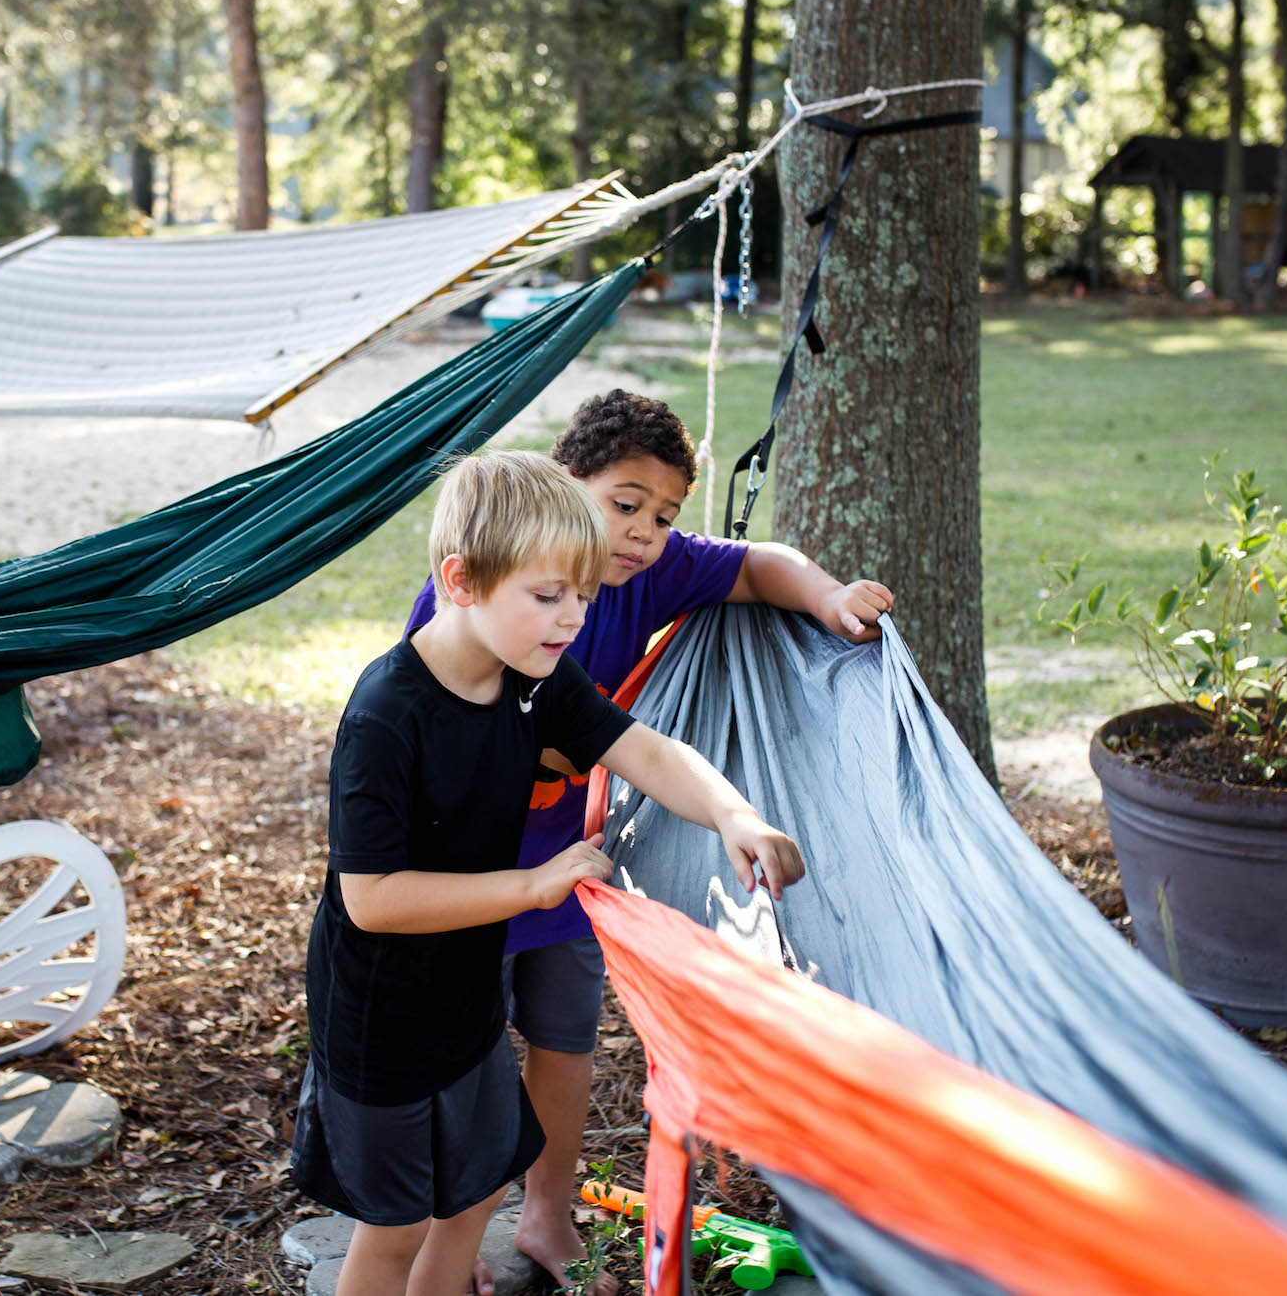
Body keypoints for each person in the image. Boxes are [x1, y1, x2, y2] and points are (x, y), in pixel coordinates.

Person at [403, 391, 893, 1295]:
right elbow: (463, 727)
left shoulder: (647, 574)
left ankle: (548, 1209)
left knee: (563, 1040)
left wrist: (827, 598)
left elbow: (756, 564)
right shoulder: (481, 593)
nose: (642, 533)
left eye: (664, 516)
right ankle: (446, 1241)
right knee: (460, 1072)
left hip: (575, 869)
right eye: (624, 503)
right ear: (563, 487)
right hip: (468, 881)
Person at [293, 449, 805, 1296]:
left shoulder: (533, 679)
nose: (571, 619)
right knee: (398, 1226)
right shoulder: (386, 715)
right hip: (380, 1021)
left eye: (584, 595)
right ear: (461, 580)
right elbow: (372, 898)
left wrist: (733, 813)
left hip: (465, 1006)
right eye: (547, 596)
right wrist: (530, 887)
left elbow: (641, 748)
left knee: (473, 1194)